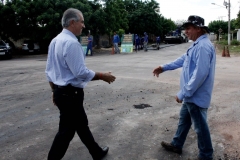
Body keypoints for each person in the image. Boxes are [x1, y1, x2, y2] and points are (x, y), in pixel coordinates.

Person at [45, 8, 116, 160]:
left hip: (62, 93)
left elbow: (50, 71)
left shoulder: (55, 40)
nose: (83, 26)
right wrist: (102, 75)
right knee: (66, 132)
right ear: (72, 22)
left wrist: (54, 91)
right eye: (82, 22)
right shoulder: (71, 43)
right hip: (70, 95)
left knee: (81, 125)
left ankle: (96, 152)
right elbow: (80, 72)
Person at [153, 15, 216, 160]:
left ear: (198, 29)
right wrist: (164, 67)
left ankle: (206, 156)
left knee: (200, 128)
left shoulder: (202, 47)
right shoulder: (196, 45)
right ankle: (177, 144)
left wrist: (183, 93)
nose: (185, 31)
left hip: (195, 95)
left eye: (188, 28)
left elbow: (200, 74)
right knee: (184, 120)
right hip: (191, 95)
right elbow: (183, 59)